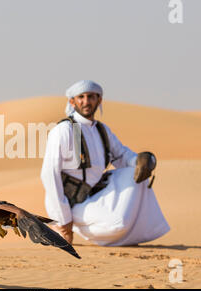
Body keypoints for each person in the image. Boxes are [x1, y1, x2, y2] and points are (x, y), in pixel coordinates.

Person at [40, 80, 170, 246]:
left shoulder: (102, 130)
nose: (86, 101)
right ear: (72, 101)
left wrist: (146, 160)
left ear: (99, 100)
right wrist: (63, 220)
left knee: (137, 173)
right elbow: (49, 174)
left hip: (96, 194)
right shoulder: (65, 130)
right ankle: (66, 228)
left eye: (91, 97)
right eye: (81, 97)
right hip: (71, 203)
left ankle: (130, 235)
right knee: (118, 224)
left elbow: (123, 156)